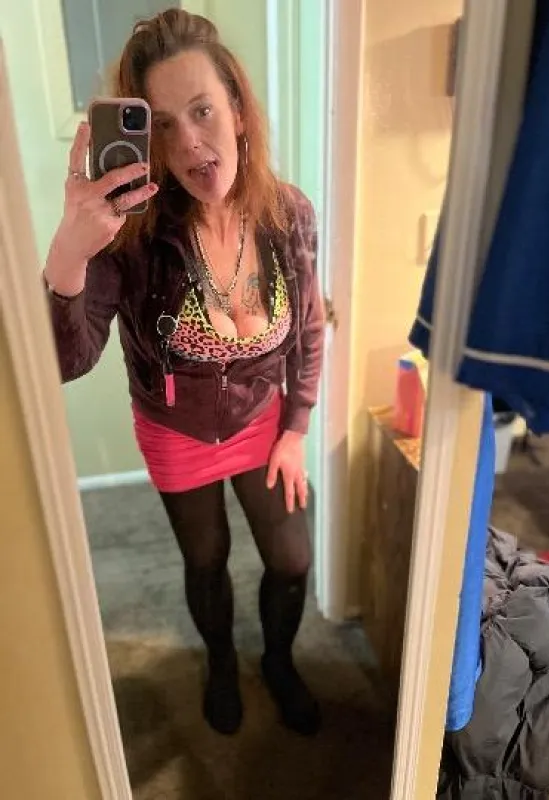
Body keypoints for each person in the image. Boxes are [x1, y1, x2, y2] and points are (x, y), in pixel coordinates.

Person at [44, 8, 324, 737]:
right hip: (175, 431)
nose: (190, 142)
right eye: (162, 126)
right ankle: (221, 663)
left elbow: (309, 328)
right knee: (207, 560)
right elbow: (66, 361)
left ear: (237, 109)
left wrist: (296, 428)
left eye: (202, 111)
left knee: (292, 559)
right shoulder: (132, 238)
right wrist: (71, 250)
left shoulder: (289, 214)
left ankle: (279, 662)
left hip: (263, 421)